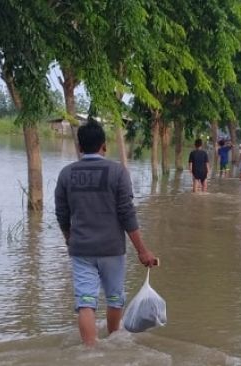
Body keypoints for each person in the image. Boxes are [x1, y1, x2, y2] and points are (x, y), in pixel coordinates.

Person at [55, 121, 157, 348]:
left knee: (86, 303)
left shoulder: (66, 174)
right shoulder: (118, 172)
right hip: (112, 249)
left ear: (80, 147)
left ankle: (91, 353)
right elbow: (127, 214)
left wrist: (69, 237)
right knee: (114, 298)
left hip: (81, 249)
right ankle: (113, 345)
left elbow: (62, 213)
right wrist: (142, 251)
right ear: (105, 145)